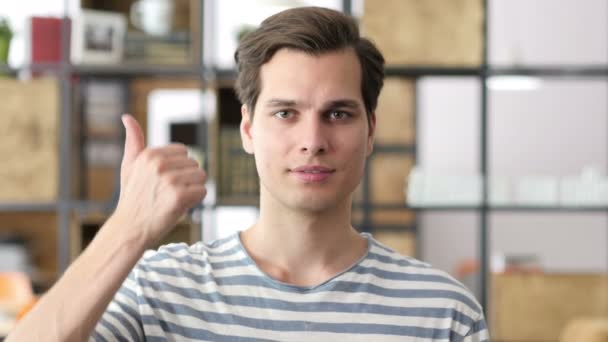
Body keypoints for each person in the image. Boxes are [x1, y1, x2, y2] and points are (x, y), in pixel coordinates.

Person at [7, 6, 489, 341]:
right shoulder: (158, 288)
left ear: (370, 131)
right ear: (246, 130)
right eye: (285, 113)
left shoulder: (442, 310)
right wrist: (127, 229)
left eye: (338, 113)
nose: (312, 140)